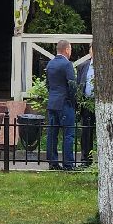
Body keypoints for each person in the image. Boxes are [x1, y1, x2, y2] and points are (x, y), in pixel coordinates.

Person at [44, 39, 77, 171]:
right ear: (67, 50)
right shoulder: (67, 64)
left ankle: (52, 162)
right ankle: (68, 164)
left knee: (52, 133)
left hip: (52, 102)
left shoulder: (50, 64)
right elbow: (72, 85)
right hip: (65, 103)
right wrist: (72, 99)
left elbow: (48, 84)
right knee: (68, 134)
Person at [75, 49, 96, 164]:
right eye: (92, 50)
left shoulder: (105, 66)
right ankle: (86, 159)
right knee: (86, 132)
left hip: (100, 103)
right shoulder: (83, 66)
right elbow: (79, 84)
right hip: (87, 103)